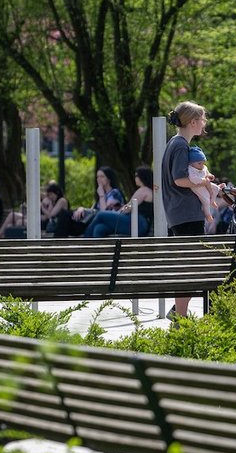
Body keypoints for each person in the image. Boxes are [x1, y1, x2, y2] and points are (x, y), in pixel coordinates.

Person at [162, 101, 212, 320]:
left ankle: (178, 312)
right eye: (202, 120)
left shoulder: (174, 143)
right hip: (185, 214)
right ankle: (180, 317)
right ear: (193, 122)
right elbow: (180, 179)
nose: (204, 124)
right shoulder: (181, 145)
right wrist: (204, 184)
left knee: (190, 265)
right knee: (192, 267)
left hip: (177, 214)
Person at [0, 181, 70, 243]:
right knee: (14, 223)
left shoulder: (62, 201)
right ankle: (5, 245)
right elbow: (48, 215)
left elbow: (50, 215)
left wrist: (41, 207)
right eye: (48, 195)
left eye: (51, 194)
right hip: (42, 221)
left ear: (57, 193)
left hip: (49, 225)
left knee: (13, 216)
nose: (49, 196)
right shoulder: (51, 201)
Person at [83, 166, 154, 238]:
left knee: (101, 215)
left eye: (136, 175)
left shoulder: (143, 190)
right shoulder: (148, 190)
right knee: (99, 228)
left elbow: (128, 207)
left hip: (137, 223)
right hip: (137, 223)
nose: (135, 178)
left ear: (142, 177)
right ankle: (98, 248)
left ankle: (84, 242)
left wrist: (117, 213)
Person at [69, 166, 124, 234]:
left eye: (102, 176)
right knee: (69, 215)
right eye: (97, 177)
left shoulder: (114, 192)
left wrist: (101, 195)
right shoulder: (102, 193)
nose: (99, 179)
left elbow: (103, 213)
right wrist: (81, 209)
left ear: (109, 179)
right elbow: (93, 210)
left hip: (110, 221)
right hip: (95, 220)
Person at [187, 145, 221, 229]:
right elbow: (193, 179)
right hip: (198, 187)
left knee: (216, 188)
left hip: (206, 184)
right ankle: (208, 214)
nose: (202, 165)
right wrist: (204, 181)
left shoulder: (203, 167)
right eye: (199, 163)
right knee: (205, 199)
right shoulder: (191, 169)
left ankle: (213, 200)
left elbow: (207, 173)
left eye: (203, 163)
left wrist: (210, 176)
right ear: (191, 163)